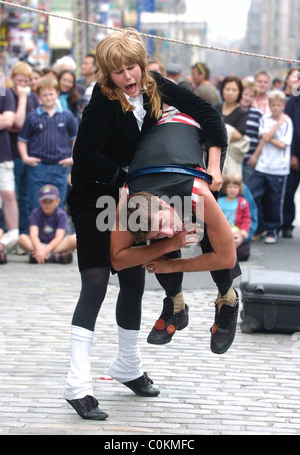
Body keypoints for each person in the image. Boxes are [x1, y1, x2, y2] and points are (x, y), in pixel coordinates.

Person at [63, 27, 228, 421]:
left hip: (131, 195)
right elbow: (84, 157)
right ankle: (76, 383)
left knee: (134, 280)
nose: (128, 77)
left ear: (141, 62)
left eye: (132, 67)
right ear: (107, 73)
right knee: (98, 282)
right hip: (96, 197)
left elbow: (208, 114)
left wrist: (214, 165)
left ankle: (128, 365)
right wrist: (123, 184)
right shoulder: (101, 102)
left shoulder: (157, 87)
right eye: (118, 71)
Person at [110, 106, 239, 354]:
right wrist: (168, 244)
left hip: (200, 134)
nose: (165, 233)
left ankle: (228, 299)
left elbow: (227, 257)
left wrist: (173, 264)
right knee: (162, 237)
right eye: (156, 234)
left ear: (161, 202)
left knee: (210, 231)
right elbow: (117, 259)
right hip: (153, 157)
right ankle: (176, 303)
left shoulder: (197, 192)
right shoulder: (127, 200)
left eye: (160, 225)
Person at [17, 77, 78, 214]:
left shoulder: (67, 116)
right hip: (38, 167)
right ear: (38, 97)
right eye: (44, 95)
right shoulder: (33, 117)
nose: (48, 97)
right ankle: (36, 233)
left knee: (58, 201)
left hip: (60, 165)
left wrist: (72, 158)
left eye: (51, 94)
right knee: (36, 201)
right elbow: (22, 140)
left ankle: (57, 232)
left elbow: (75, 139)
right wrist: (26, 158)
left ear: (57, 94)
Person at [248, 90, 293, 244]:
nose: (275, 108)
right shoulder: (265, 119)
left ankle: (272, 229)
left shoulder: (287, 122)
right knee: (253, 195)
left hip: (278, 168)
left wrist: (269, 135)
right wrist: (275, 127)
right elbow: (263, 137)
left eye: (278, 105)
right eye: (272, 105)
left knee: (274, 201)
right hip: (262, 166)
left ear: (283, 106)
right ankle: (260, 227)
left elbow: (282, 144)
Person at [9, 62, 40, 235]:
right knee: (12, 194)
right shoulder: (7, 95)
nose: (23, 85)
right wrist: (21, 98)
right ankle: (10, 230)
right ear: (12, 79)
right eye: (20, 80)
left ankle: (26, 231)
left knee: (28, 196)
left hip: (31, 152)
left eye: (26, 81)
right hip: (12, 152)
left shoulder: (33, 98)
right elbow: (18, 123)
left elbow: (34, 125)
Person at [18, 184, 76, 264]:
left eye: (50, 201)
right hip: (39, 244)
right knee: (22, 238)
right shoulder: (35, 213)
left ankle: (39, 256)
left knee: (74, 239)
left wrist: (44, 251)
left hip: (56, 245)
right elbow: (33, 235)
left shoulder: (61, 214)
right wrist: (39, 248)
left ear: (57, 202)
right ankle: (52, 256)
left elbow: (59, 237)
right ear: (40, 202)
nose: (47, 205)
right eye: (44, 201)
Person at [215, 76, 249, 177]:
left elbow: (238, 135)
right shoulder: (215, 108)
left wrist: (219, 130)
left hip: (231, 159)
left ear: (239, 92)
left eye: (234, 90)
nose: (230, 93)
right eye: (227, 89)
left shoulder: (242, 113)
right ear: (222, 90)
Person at [0, 85, 19, 256]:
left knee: (9, 195)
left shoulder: (3, 91)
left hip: (3, 155)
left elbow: (8, 120)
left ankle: (12, 236)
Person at [218, 174, 251, 262]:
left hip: (236, 229)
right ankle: (225, 253)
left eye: (235, 187)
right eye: (230, 187)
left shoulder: (243, 203)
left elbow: (246, 218)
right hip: (222, 228)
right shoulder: (219, 202)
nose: (232, 189)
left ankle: (231, 253)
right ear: (225, 188)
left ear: (239, 189)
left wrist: (244, 230)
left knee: (235, 236)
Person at [281, 90, 300, 238]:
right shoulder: (292, 102)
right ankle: (286, 224)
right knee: (288, 192)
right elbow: (289, 129)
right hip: (295, 154)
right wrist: (292, 154)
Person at [240, 79, 263, 184]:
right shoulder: (232, 110)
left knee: (245, 189)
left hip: (248, 160)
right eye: (246, 94)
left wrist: (255, 156)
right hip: (232, 159)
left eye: (251, 96)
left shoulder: (258, 114)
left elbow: (262, 138)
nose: (248, 98)